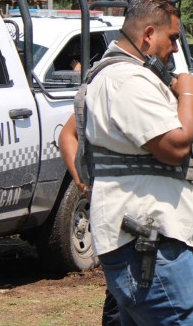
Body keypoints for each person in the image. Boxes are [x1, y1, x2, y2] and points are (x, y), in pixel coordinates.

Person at [82, 0, 193, 326]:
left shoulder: (123, 76)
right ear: (148, 35)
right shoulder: (128, 80)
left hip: (146, 242)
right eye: (172, 38)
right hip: (150, 247)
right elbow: (173, 148)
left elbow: (150, 147)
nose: (175, 49)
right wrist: (188, 95)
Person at [58, 115, 119, 326]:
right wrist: (83, 185)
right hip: (120, 217)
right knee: (120, 295)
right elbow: (68, 134)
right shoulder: (104, 90)